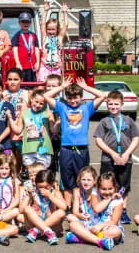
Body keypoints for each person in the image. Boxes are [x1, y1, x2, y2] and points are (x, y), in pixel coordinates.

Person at [44, 76, 105, 206]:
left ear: (81, 97)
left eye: (76, 97)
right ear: (66, 98)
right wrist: (62, 87)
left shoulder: (86, 108)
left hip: (81, 149)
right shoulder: (62, 107)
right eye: (70, 98)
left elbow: (102, 96)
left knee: (82, 179)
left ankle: (81, 205)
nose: (73, 101)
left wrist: (85, 87)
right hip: (66, 149)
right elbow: (46, 96)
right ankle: (68, 206)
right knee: (67, 180)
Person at [93, 90, 139, 224]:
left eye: (116, 104)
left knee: (124, 186)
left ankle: (123, 211)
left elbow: (135, 138)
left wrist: (126, 154)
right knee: (106, 184)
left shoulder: (128, 120)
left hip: (125, 159)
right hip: (108, 159)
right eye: (110, 104)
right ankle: (105, 209)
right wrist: (112, 154)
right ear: (107, 105)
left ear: (122, 105)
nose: (113, 107)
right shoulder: (104, 121)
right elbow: (99, 140)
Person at [7, 89, 53, 170]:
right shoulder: (24, 112)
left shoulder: (47, 112)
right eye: (36, 102)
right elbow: (18, 130)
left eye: (41, 103)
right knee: (31, 175)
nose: (38, 105)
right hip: (28, 150)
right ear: (31, 99)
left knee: (42, 176)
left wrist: (59, 121)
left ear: (45, 104)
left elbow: (54, 130)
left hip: (44, 149)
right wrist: (10, 118)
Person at [20, 169, 66, 245]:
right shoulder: (33, 192)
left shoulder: (55, 193)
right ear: (36, 184)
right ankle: (46, 231)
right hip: (33, 224)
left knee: (61, 212)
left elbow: (64, 207)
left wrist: (50, 196)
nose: (42, 190)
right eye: (40, 187)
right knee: (27, 208)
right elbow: (21, 210)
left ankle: (38, 230)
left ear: (52, 184)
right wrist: (28, 197)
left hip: (52, 226)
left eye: (46, 187)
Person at [4, 68, 29, 172]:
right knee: (10, 161)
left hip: (22, 132)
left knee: (23, 161)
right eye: (10, 79)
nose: (12, 82)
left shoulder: (27, 93)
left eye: (15, 79)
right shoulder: (3, 94)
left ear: (21, 80)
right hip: (7, 132)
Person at [38, 2, 68, 82]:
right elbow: (43, 25)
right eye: (49, 29)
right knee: (42, 86)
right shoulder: (45, 37)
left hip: (56, 68)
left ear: (57, 29)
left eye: (53, 29)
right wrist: (45, 11)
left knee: (55, 86)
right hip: (45, 67)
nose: (51, 31)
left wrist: (65, 12)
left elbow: (65, 26)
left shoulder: (59, 38)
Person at [11, 12, 41, 82]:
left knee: (32, 84)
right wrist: (18, 63)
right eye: (23, 22)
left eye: (27, 22)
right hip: (21, 66)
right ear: (19, 23)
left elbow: (37, 49)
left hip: (32, 65)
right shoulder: (17, 35)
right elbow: (15, 50)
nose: (25, 24)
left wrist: (38, 62)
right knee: (22, 83)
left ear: (30, 23)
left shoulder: (33, 35)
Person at [0, 154, 21, 223]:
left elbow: (17, 200)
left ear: (11, 168)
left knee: (17, 211)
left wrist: (6, 210)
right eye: (1, 168)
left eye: (6, 169)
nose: (4, 171)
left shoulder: (14, 180)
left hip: (9, 209)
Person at [45, 74, 62, 174]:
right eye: (49, 86)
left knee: (59, 163)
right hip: (46, 136)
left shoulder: (63, 102)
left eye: (54, 86)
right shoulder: (42, 102)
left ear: (59, 88)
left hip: (60, 137)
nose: (51, 88)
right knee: (48, 164)